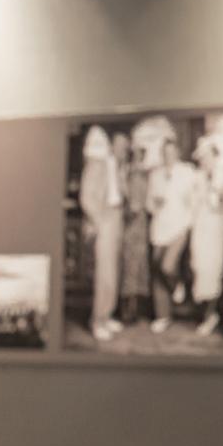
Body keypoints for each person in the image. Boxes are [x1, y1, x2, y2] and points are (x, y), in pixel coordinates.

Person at [79, 126, 125, 342]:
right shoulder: (96, 164)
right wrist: (99, 220)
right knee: (104, 273)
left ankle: (107, 316)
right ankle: (97, 321)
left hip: (114, 216)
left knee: (112, 271)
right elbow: (86, 198)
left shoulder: (111, 163)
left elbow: (114, 191)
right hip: (105, 220)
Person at [147, 138, 196, 334]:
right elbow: (149, 203)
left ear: (178, 152)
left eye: (172, 152)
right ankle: (163, 316)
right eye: (165, 152)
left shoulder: (187, 172)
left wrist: (188, 211)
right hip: (159, 229)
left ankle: (177, 285)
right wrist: (154, 205)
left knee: (167, 266)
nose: (168, 156)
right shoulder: (155, 175)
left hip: (180, 227)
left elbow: (195, 200)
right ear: (162, 154)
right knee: (158, 273)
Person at [190, 136, 223, 336]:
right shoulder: (197, 177)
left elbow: (219, 205)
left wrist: (213, 187)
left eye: (207, 157)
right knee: (199, 269)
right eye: (201, 158)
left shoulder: (222, 177)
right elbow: (192, 204)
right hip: (200, 229)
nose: (204, 161)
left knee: (213, 272)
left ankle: (210, 316)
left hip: (215, 231)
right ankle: (207, 315)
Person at [121, 142, 150, 324]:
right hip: (130, 225)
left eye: (140, 153)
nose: (136, 156)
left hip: (139, 225)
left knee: (137, 267)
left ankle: (133, 310)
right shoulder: (127, 172)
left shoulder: (143, 175)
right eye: (134, 153)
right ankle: (127, 310)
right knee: (129, 267)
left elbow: (145, 201)